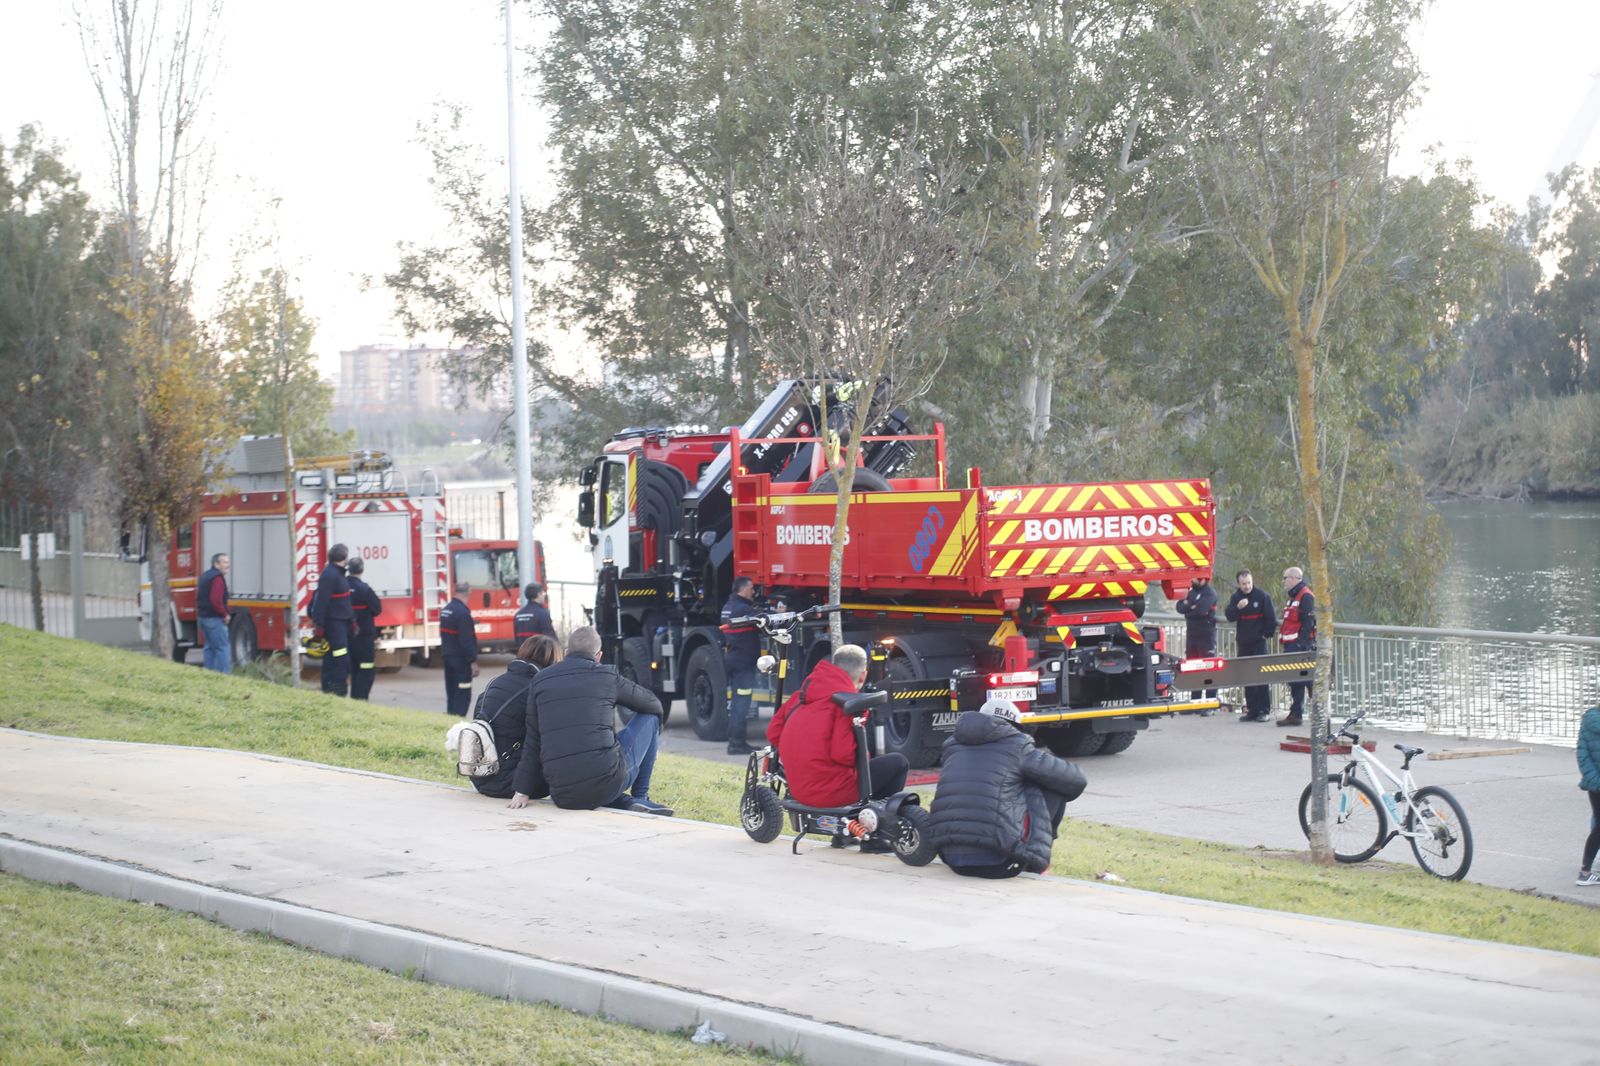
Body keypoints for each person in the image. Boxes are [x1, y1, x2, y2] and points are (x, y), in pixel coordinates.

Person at [507, 626, 673, 816]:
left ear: (567, 653)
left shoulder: (540, 680)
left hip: (561, 793)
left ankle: (624, 801)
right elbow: (652, 703)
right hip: (606, 781)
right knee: (650, 718)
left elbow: (533, 741)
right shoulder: (606, 676)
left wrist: (522, 791)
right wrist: (655, 735)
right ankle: (640, 797)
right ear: (599, 655)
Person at [928, 698, 1088, 878]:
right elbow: (1076, 780)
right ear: (1014, 725)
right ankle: (1037, 864)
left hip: (952, 860)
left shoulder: (952, 746)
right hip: (1001, 863)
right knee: (1048, 783)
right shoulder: (1017, 745)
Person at [766, 644, 908, 818]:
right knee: (898, 763)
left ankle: (843, 834)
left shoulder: (801, 695)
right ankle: (875, 826)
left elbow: (773, 732)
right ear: (863, 675)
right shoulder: (848, 704)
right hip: (831, 793)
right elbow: (844, 755)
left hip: (798, 789)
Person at [470, 635, 563, 800]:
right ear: (552, 661)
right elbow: (537, 743)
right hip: (513, 785)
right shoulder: (538, 690)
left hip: (480, 778)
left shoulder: (494, 683)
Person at [720, 575, 766, 755]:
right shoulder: (742, 609)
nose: (754, 592)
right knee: (742, 703)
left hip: (734, 660)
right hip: (743, 664)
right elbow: (761, 619)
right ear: (744, 589)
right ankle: (736, 744)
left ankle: (737, 742)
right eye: (752, 588)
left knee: (738, 702)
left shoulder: (728, 607)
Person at [1225, 568, 1277, 722]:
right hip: (1244, 643)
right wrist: (1238, 608)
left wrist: (1264, 635)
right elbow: (1229, 616)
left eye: (1249, 583)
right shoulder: (1236, 597)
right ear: (1239, 584)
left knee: (1261, 676)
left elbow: (1271, 619)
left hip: (1258, 643)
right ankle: (1252, 710)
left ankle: (1264, 710)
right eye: (1243, 584)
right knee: (1247, 678)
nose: (1247, 586)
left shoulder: (1262, 596)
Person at [310, 543, 354, 696]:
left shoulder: (338, 574)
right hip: (334, 624)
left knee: (333, 658)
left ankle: (331, 689)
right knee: (339, 658)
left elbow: (343, 600)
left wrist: (351, 620)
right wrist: (319, 624)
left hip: (341, 623)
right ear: (343, 558)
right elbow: (322, 601)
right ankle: (336, 690)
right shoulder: (330, 575)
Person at [1278, 566, 1317, 728]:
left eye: (1285, 578)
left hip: (1300, 646)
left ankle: (1314, 714)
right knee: (1296, 681)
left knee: (1305, 680)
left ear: (1295, 579)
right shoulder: (1294, 597)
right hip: (1291, 645)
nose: (1284, 581)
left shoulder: (1305, 597)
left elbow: (1309, 623)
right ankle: (1297, 714)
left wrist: (1301, 644)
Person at [1174, 574, 1219, 709]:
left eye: (1194, 578)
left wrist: (1190, 608)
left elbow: (1201, 610)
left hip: (1206, 635)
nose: (1191, 580)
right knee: (1193, 667)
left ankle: (1210, 702)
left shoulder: (1210, 593)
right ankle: (1195, 701)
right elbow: (1180, 607)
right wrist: (1190, 607)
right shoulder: (1191, 592)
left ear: (1202, 579)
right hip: (1192, 635)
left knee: (1208, 668)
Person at [346, 556, 384, 701]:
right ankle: (361, 698)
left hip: (347, 637)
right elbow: (377, 609)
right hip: (364, 637)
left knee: (353, 668)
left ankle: (353, 697)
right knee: (366, 668)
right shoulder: (365, 589)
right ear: (362, 570)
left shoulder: (342, 587)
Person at [440, 580, 480, 716]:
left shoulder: (446, 610)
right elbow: (466, 641)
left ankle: (450, 719)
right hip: (461, 660)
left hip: (447, 657)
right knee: (462, 693)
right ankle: (458, 722)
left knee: (451, 692)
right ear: (469, 592)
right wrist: (473, 661)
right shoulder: (462, 613)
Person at [1575, 705, 1600, 887]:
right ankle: (1584, 872)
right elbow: (1583, 755)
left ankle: (1585, 871)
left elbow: (1582, 755)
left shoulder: (1589, 720)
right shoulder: (1591, 721)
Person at [196, 552, 232, 675]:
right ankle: (224, 675)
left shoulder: (205, 576)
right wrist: (225, 614)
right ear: (216, 564)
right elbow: (215, 600)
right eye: (225, 562)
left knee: (209, 647)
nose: (228, 565)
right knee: (223, 647)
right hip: (214, 619)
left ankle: (209, 674)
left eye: (228, 562)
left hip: (203, 617)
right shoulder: (217, 579)